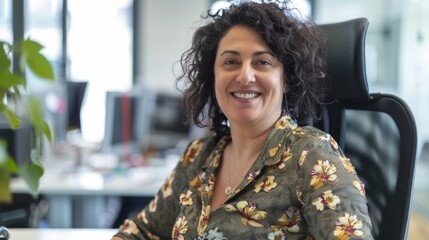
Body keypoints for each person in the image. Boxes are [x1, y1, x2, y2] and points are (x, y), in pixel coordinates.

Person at [112, 0, 373, 239]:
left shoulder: (312, 156)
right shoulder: (200, 156)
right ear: (212, 77)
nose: (245, 76)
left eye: (262, 62)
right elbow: (143, 231)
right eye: (230, 62)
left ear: (286, 79)